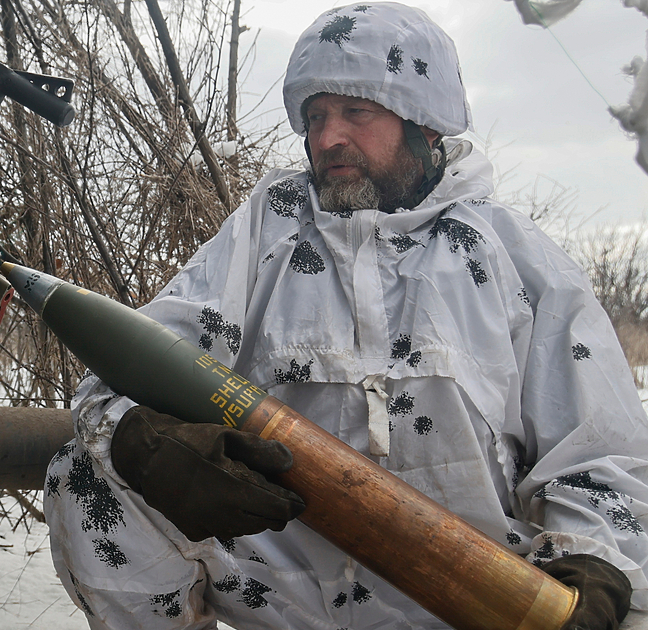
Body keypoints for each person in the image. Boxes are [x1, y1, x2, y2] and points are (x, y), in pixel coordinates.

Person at [42, 3, 648, 629]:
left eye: (357, 110)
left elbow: (599, 453)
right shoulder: (266, 228)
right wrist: (146, 442)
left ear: (427, 122)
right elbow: (128, 372)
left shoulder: (510, 257)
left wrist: (593, 565)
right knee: (89, 472)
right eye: (316, 116)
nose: (329, 137)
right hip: (285, 592)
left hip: (472, 595)